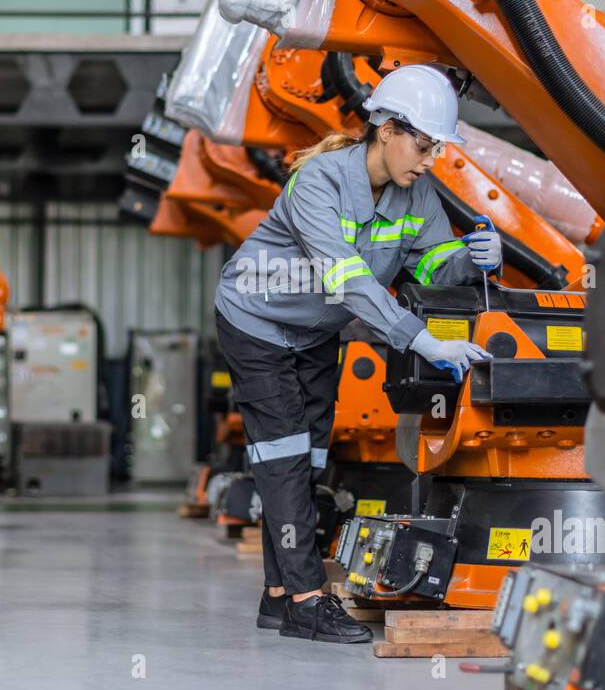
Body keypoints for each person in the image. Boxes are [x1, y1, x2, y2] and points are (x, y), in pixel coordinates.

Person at [213, 65, 502, 644]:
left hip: (317, 334)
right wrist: (422, 340)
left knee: (310, 459)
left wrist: (476, 258)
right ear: (388, 129)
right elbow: (347, 278)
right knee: (284, 455)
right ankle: (306, 600)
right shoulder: (316, 181)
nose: (429, 160)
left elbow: (429, 264)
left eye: (437, 148)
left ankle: (278, 596)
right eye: (423, 145)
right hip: (256, 320)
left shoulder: (416, 191)